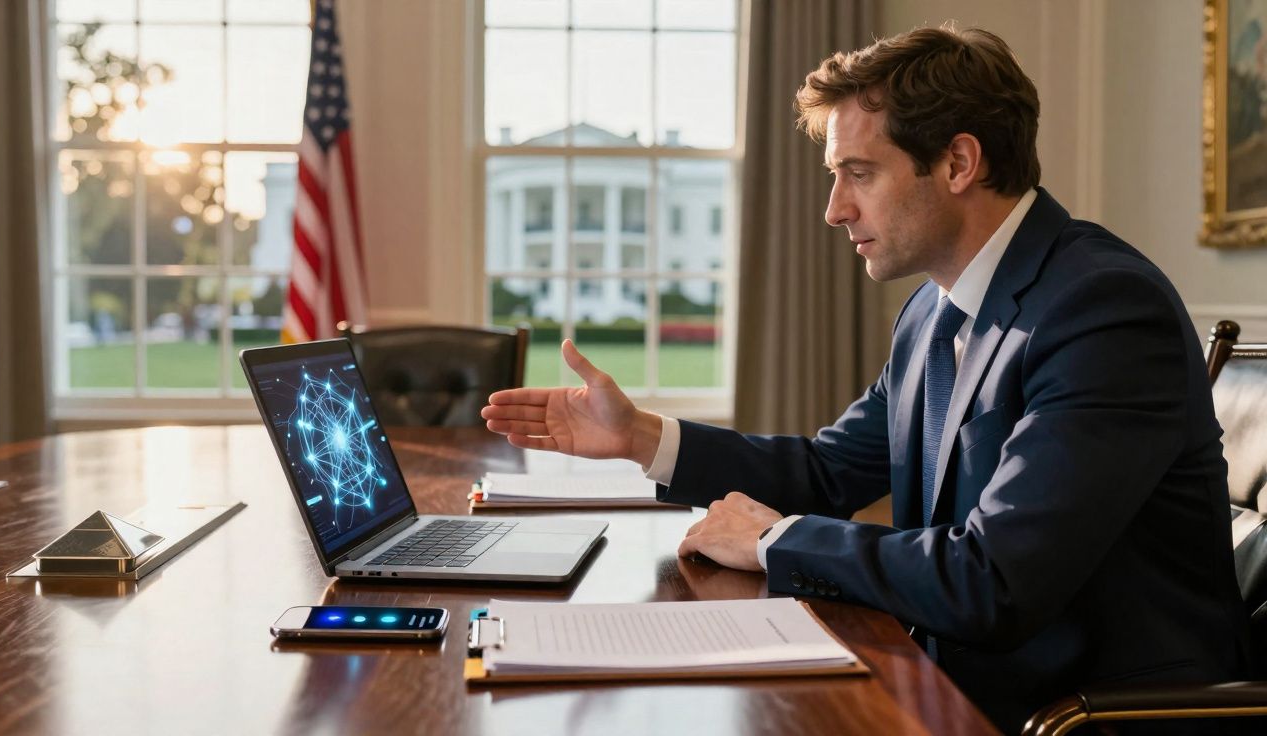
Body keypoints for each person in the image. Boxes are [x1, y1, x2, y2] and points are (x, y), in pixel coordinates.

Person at [481, 25, 1251, 732]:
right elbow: (827, 471)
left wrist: (775, 540)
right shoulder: (932, 311)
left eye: (858, 173)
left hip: (1081, 715)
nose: (833, 209)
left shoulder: (1102, 309)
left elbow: (995, 582)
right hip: (949, 681)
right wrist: (641, 437)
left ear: (957, 162)